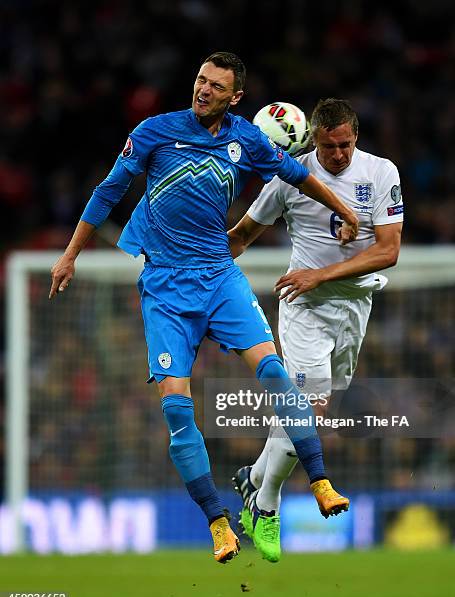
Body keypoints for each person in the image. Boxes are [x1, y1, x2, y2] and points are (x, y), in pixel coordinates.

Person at [49, 54, 358, 564]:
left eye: (216, 86)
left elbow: (299, 179)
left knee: (278, 375)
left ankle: (321, 480)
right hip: (166, 288)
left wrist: (344, 211)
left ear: (236, 97)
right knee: (176, 408)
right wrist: (70, 254)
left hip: (218, 276)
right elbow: (109, 190)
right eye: (200, 81)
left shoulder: (247, 141)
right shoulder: (154, 132)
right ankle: (218, 521)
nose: (204, 91)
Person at [229, 97, 403, 562]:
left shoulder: (381, 173)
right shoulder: (292, 177)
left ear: (355, 137)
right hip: (303, 305)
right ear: (314, 141)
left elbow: (388, 251)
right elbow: (242, 236)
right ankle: (266, 505)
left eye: (345, 144)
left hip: (354, 307)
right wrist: (197, 262)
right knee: (310, 406)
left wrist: (322, 273)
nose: (339, 155)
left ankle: (253, 476)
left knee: (313, 409)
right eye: (329, 147)